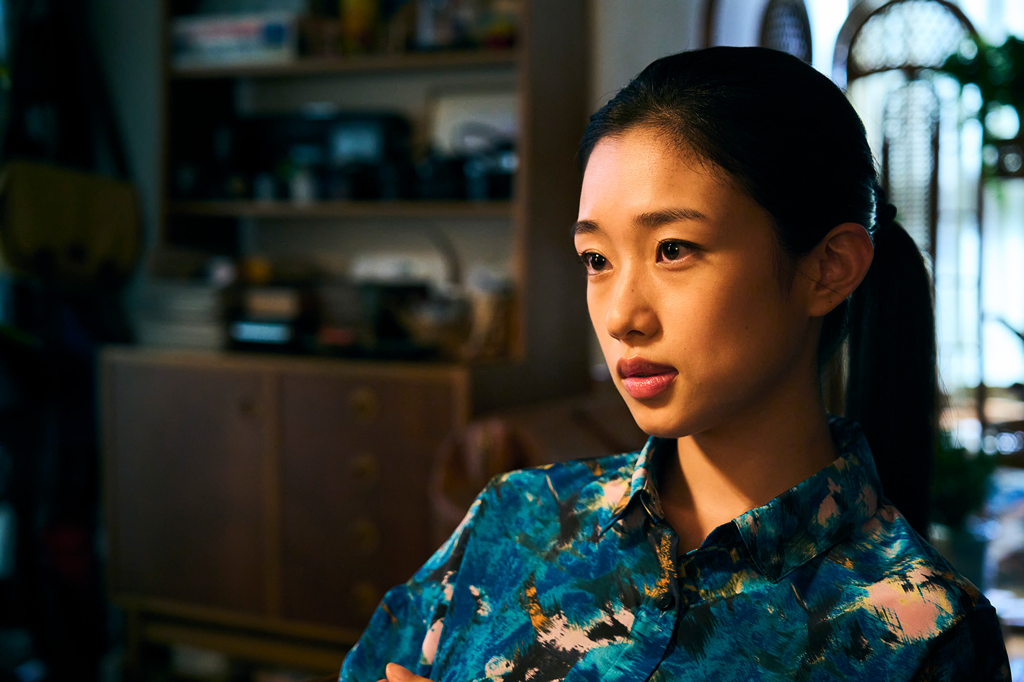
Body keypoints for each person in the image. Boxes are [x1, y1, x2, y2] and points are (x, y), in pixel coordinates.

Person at [340, 47, 1010, 681]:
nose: (621, 316)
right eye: (597, 260)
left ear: (828, 268)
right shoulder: (516, 518)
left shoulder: (926, 632)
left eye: (673, 250)